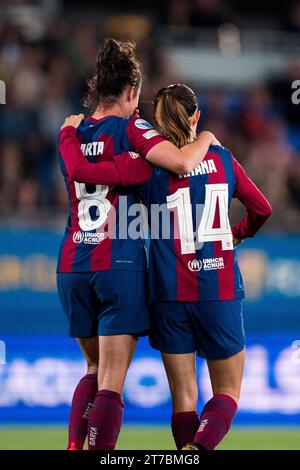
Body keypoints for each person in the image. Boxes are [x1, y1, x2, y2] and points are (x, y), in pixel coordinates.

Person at [60, 83, 272, 451]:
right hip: (218, 288)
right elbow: (262, 209)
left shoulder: (147, 169)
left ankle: (183, 450)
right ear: (196, 116)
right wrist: (235, 234)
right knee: (227, 391)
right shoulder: (223, 159)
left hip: (169, 293)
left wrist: (74, 136)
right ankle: (198, 450)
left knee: (184, 399)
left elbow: (88, 173)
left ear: (155, 123)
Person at [57, 40, 217, 451]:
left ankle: (76, 446)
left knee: (91, 367)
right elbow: (181, 164)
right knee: (111, 380)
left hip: (73, 262)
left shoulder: (71, 133)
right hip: (119, 262)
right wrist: (207, 140)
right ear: (131, 91)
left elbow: (79, 170)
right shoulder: (132, 128)